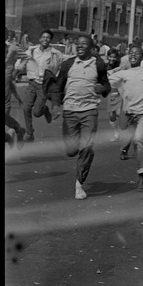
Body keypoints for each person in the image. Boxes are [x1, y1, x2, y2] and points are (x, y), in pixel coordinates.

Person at [47, 34, 111, 200]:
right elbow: (58, 86)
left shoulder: (98, 64)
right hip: (70, 111)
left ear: (91, 48)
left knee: (86, 147)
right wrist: (55, 104)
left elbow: (106, 85)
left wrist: (101, 88)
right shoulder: (68, 64)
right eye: (78, 44)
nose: (80, 46)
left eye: (84, 44)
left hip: (89, 110)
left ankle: (79, 184)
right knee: (71, 150)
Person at [108, 45, 143, 191]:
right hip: (130, 113)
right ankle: (141, 157)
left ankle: (141, 176)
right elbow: (107, 80)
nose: (133, 55)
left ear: (142, 57)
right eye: (131, 53)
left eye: (137, 54)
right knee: (135, 142)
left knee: (139, 138)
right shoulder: (123, 73)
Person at [22, 29, 64, 142]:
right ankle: (29, 132)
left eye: (48, 38)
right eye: (43, 37)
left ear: (50, 40)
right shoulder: (31, 51)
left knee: (36, 113)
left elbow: (61, 68)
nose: (45, 39)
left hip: (44, 86)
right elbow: (21, 62)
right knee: (26, 107)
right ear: (40, 39)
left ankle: (44, 110)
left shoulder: (56, 54)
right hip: (32, 82)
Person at [105, 48, 124, 141]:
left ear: (117, 58)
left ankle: (124, 132)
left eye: (114, 57)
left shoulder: (120, 67)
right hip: (111, 93)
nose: (112, 59)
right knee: (112, 116)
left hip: (121, 92)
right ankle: (116, 133)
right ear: (108, 57)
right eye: (110, 56)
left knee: (119, 113)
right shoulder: (105, 67)